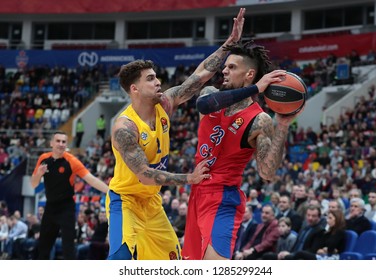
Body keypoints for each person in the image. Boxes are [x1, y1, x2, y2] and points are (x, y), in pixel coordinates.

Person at [105, 8, 249, 260]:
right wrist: (189, 179)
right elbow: (146, 175)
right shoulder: (124, 128)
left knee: (174, 263)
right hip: (125, 201)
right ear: (134, 88)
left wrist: (229, 44)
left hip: (152, 205)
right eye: (150, 79)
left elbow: (200, 76)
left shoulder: (165, 103)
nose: (158, 82)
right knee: (121, 260)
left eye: (156, 76)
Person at [182, 39, 300, 259]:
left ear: (249, 74)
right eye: (225, 66)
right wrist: (255, 88)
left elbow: (267, 172)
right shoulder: (210, 95)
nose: (224, 71)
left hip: (223, 199)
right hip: (197, 194)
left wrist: (282, 126)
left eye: (232, 67)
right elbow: (202, 105)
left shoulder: (259, 120)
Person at [30, 131, 109, 260]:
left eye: (64, 142)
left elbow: (91, 180)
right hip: (50, 207)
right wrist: (38, 174)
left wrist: (110, 191)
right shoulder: (43, 159)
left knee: (68, 247)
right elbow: (33, 185)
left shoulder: (72, 161)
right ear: (51, 143)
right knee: (43, 247)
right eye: (58, 141)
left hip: (66, 207)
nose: (61, 144)